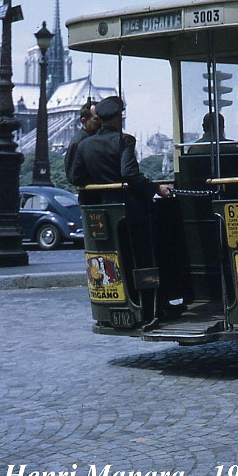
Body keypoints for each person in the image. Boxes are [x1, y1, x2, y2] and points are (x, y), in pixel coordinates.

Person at [69, 96, 183, 316]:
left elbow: (76, 177)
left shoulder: (84, 145)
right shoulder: (125, 140)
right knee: (146, 257)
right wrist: (156, 189)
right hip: (131, 212)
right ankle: (154, 307)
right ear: (118, 118)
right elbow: (129, 173)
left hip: (103, 213)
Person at [65, 100, 99, 186]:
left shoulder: (93, 138)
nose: (100, 123)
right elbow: (73, 176)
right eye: (96, 119)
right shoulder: (78, 142)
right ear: (84, 121)